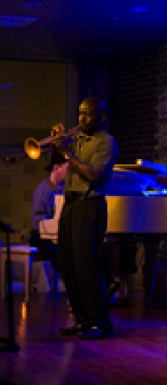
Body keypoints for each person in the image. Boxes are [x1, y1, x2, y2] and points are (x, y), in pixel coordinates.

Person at [52, 97, 118, 339]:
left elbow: (93, 174)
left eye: (88, 114)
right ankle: (82, 320)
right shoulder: (77, 139)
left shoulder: (106, 142)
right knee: (68, 263)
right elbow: (57, 162)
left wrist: (67, 153)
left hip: (89, 205)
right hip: (70, 204)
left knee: (86, 266)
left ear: (102, 117)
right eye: (80, 113)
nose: (82, 118)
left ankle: (99, 323)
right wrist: (56, 145)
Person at [28, 152, 68, 270]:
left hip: (58, 234)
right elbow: (39, 224)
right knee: (63, 255)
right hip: (43, 237)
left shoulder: (64, 188)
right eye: (67, 168)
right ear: (56, 168)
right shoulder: (43, 192)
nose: (69, 172)